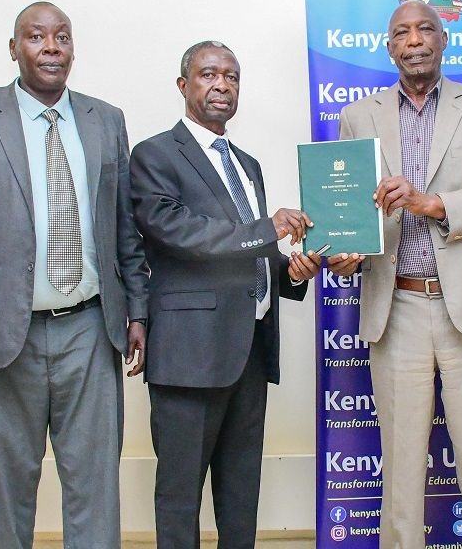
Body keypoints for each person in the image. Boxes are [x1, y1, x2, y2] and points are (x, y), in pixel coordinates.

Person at [0, 2, 149, 548]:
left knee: (94, 486)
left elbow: (124, 228)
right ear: (14, 47)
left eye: (62, 37)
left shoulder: (106, 119)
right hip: (0, 335)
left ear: (73, 49)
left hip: (92, 331)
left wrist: (137, 309)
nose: (51, 47)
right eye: (36, 36)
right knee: (7, 489)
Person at [327, 0, 462, 549]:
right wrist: (346, 254)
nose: (414, 40)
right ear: (388, 47)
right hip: (398, 308)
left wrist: (432, 203)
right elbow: (348, 218)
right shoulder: (358, 116)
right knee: (402, 465)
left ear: (443, 40)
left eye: (425, 30)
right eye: (401, 32)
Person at [129, 40, 321, 549]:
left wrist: (293, 272)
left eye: (232, 77)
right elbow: (177, 231)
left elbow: (251, 252)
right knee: (179, 495)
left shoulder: (247, 163)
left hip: (250, 351)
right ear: (183, 85)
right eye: (209, 74)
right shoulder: (154, 154)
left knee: (241, 493)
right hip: (189, 354)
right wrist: (266, 229)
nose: (222, 85)